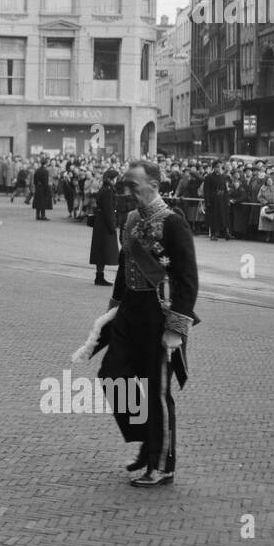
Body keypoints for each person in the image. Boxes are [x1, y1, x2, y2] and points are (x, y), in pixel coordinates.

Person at [98, 160, 199, 487]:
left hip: (160, 313)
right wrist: (112, 310)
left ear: (154, 185)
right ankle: (146, 438)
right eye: (126, 185)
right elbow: (125, 266)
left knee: (157, 390)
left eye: (134, 185)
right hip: (130, 310)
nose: (127, 191)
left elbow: (187, 279)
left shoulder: (173, 223)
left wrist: (176, 328)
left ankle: (161, 464)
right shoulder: (129, 220)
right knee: (113, 375)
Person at [90, 168, 120, 285]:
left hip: (100, 223)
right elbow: (108, 210)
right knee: (103, 251)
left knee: (100, 251)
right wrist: (112, 226)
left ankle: (99, 275)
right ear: (112, 179)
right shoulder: (108, 191)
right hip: (104, 224)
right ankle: (99, 276)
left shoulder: (104, 189)